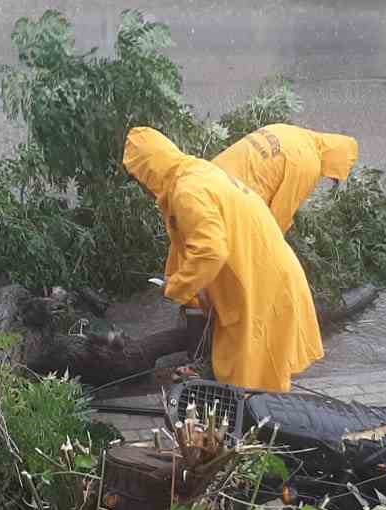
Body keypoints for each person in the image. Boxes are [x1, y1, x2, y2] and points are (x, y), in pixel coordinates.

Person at [123, 127, 324, 392]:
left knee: (248, 385)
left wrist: (177, 287)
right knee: (249, 379)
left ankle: (255, 431)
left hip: (260, 290)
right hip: (263, 279)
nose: (144, 189)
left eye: (139, 180)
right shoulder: (197, 173)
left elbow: (210, 250)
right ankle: (253, 428)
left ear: (148, 172)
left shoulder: (187, 193)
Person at [210, 124, 359, 233]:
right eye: (334, 176)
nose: (330, 178)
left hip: (209, 176)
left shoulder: (288, 131)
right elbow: (278, 217)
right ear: (336, 162)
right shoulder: (309, 163)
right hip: (231, 200)